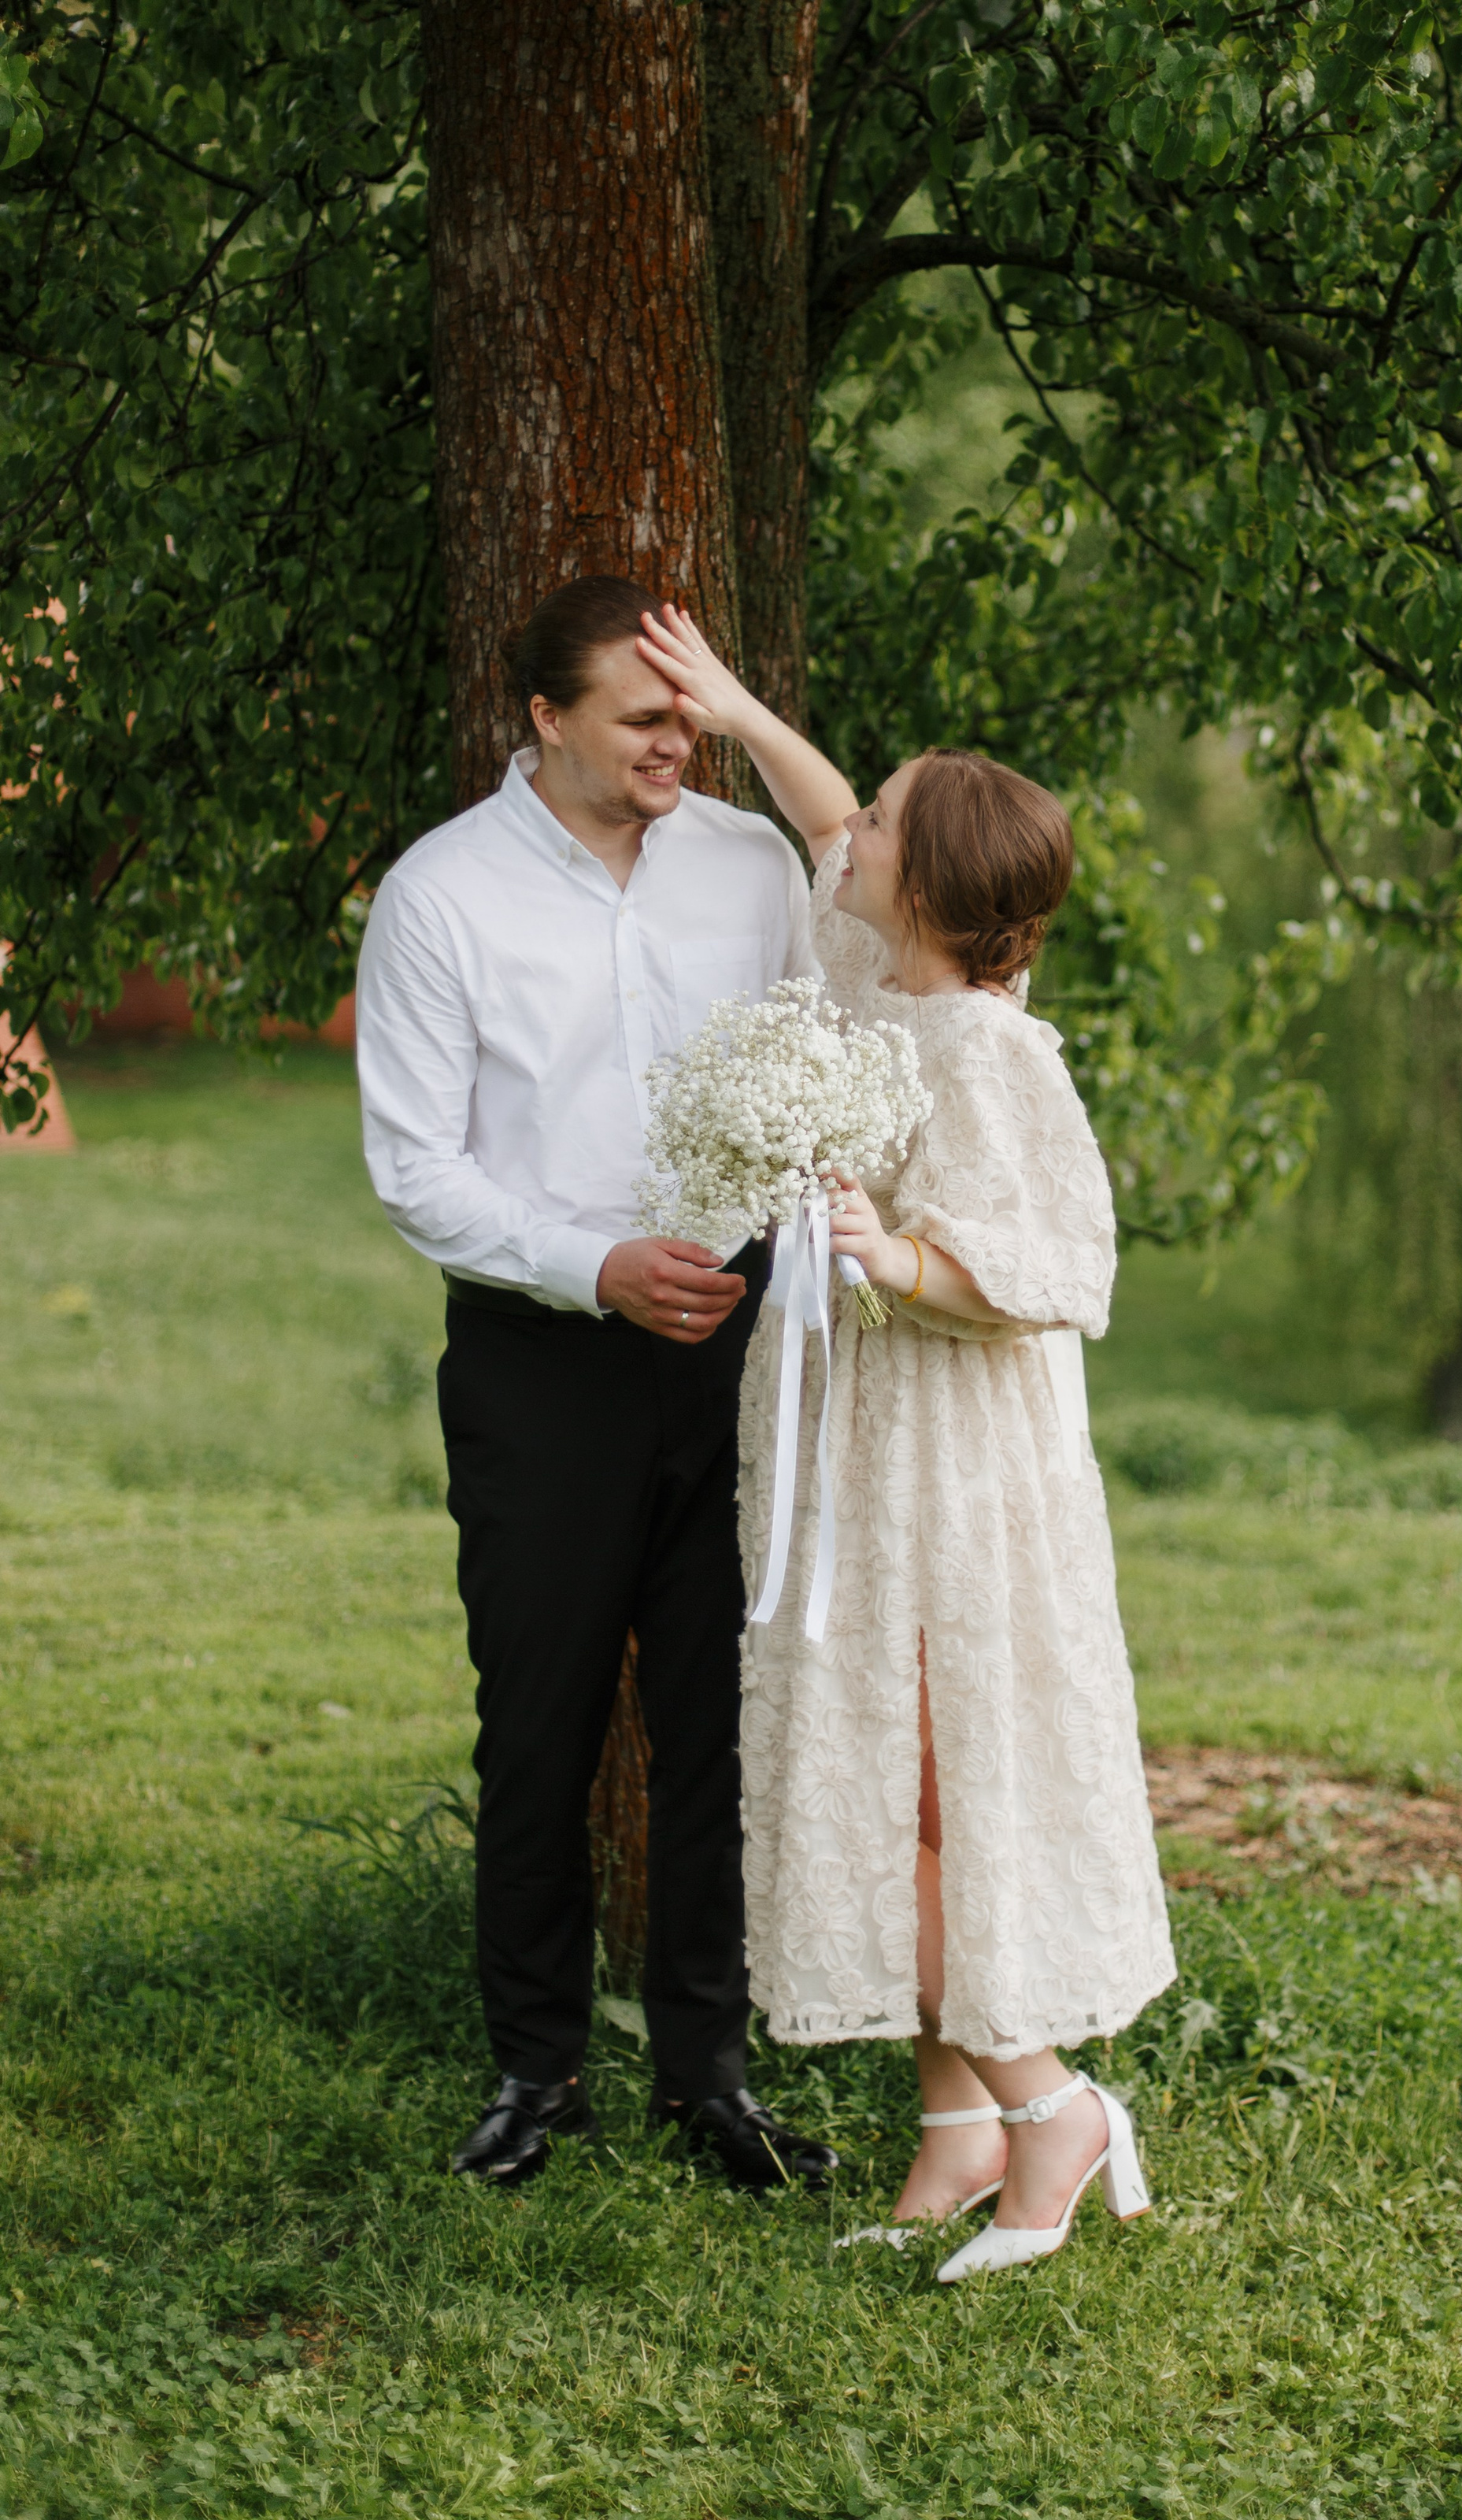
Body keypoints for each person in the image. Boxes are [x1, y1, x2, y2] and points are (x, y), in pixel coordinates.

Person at [632, 605, 1178, 2281]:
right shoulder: (876, 983)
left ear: (925, 887)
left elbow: (1061, 1264)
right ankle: (954, 2122)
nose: (845, 827)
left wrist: (898, 1258)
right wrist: (730, 702)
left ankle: (1049, 2104)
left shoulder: (992, 1047)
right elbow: (818, 816)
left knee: (933, 1768)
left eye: (879, 823)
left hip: (954, 1454)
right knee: (909, 1777)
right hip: (864, 1431)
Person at [353, 575, 838, 2192]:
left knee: (718, 1726)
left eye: (686, 713)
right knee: (542, 1726)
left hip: (736, 1354)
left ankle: (709, 2076)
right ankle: (533, 2071)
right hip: (541, 1360)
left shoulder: (745, 862)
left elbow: (830, 1016)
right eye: (642, 718)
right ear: (543, 717)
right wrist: (595, 1265)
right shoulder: (440, 899)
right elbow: (414, 1170)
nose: (672, 746)